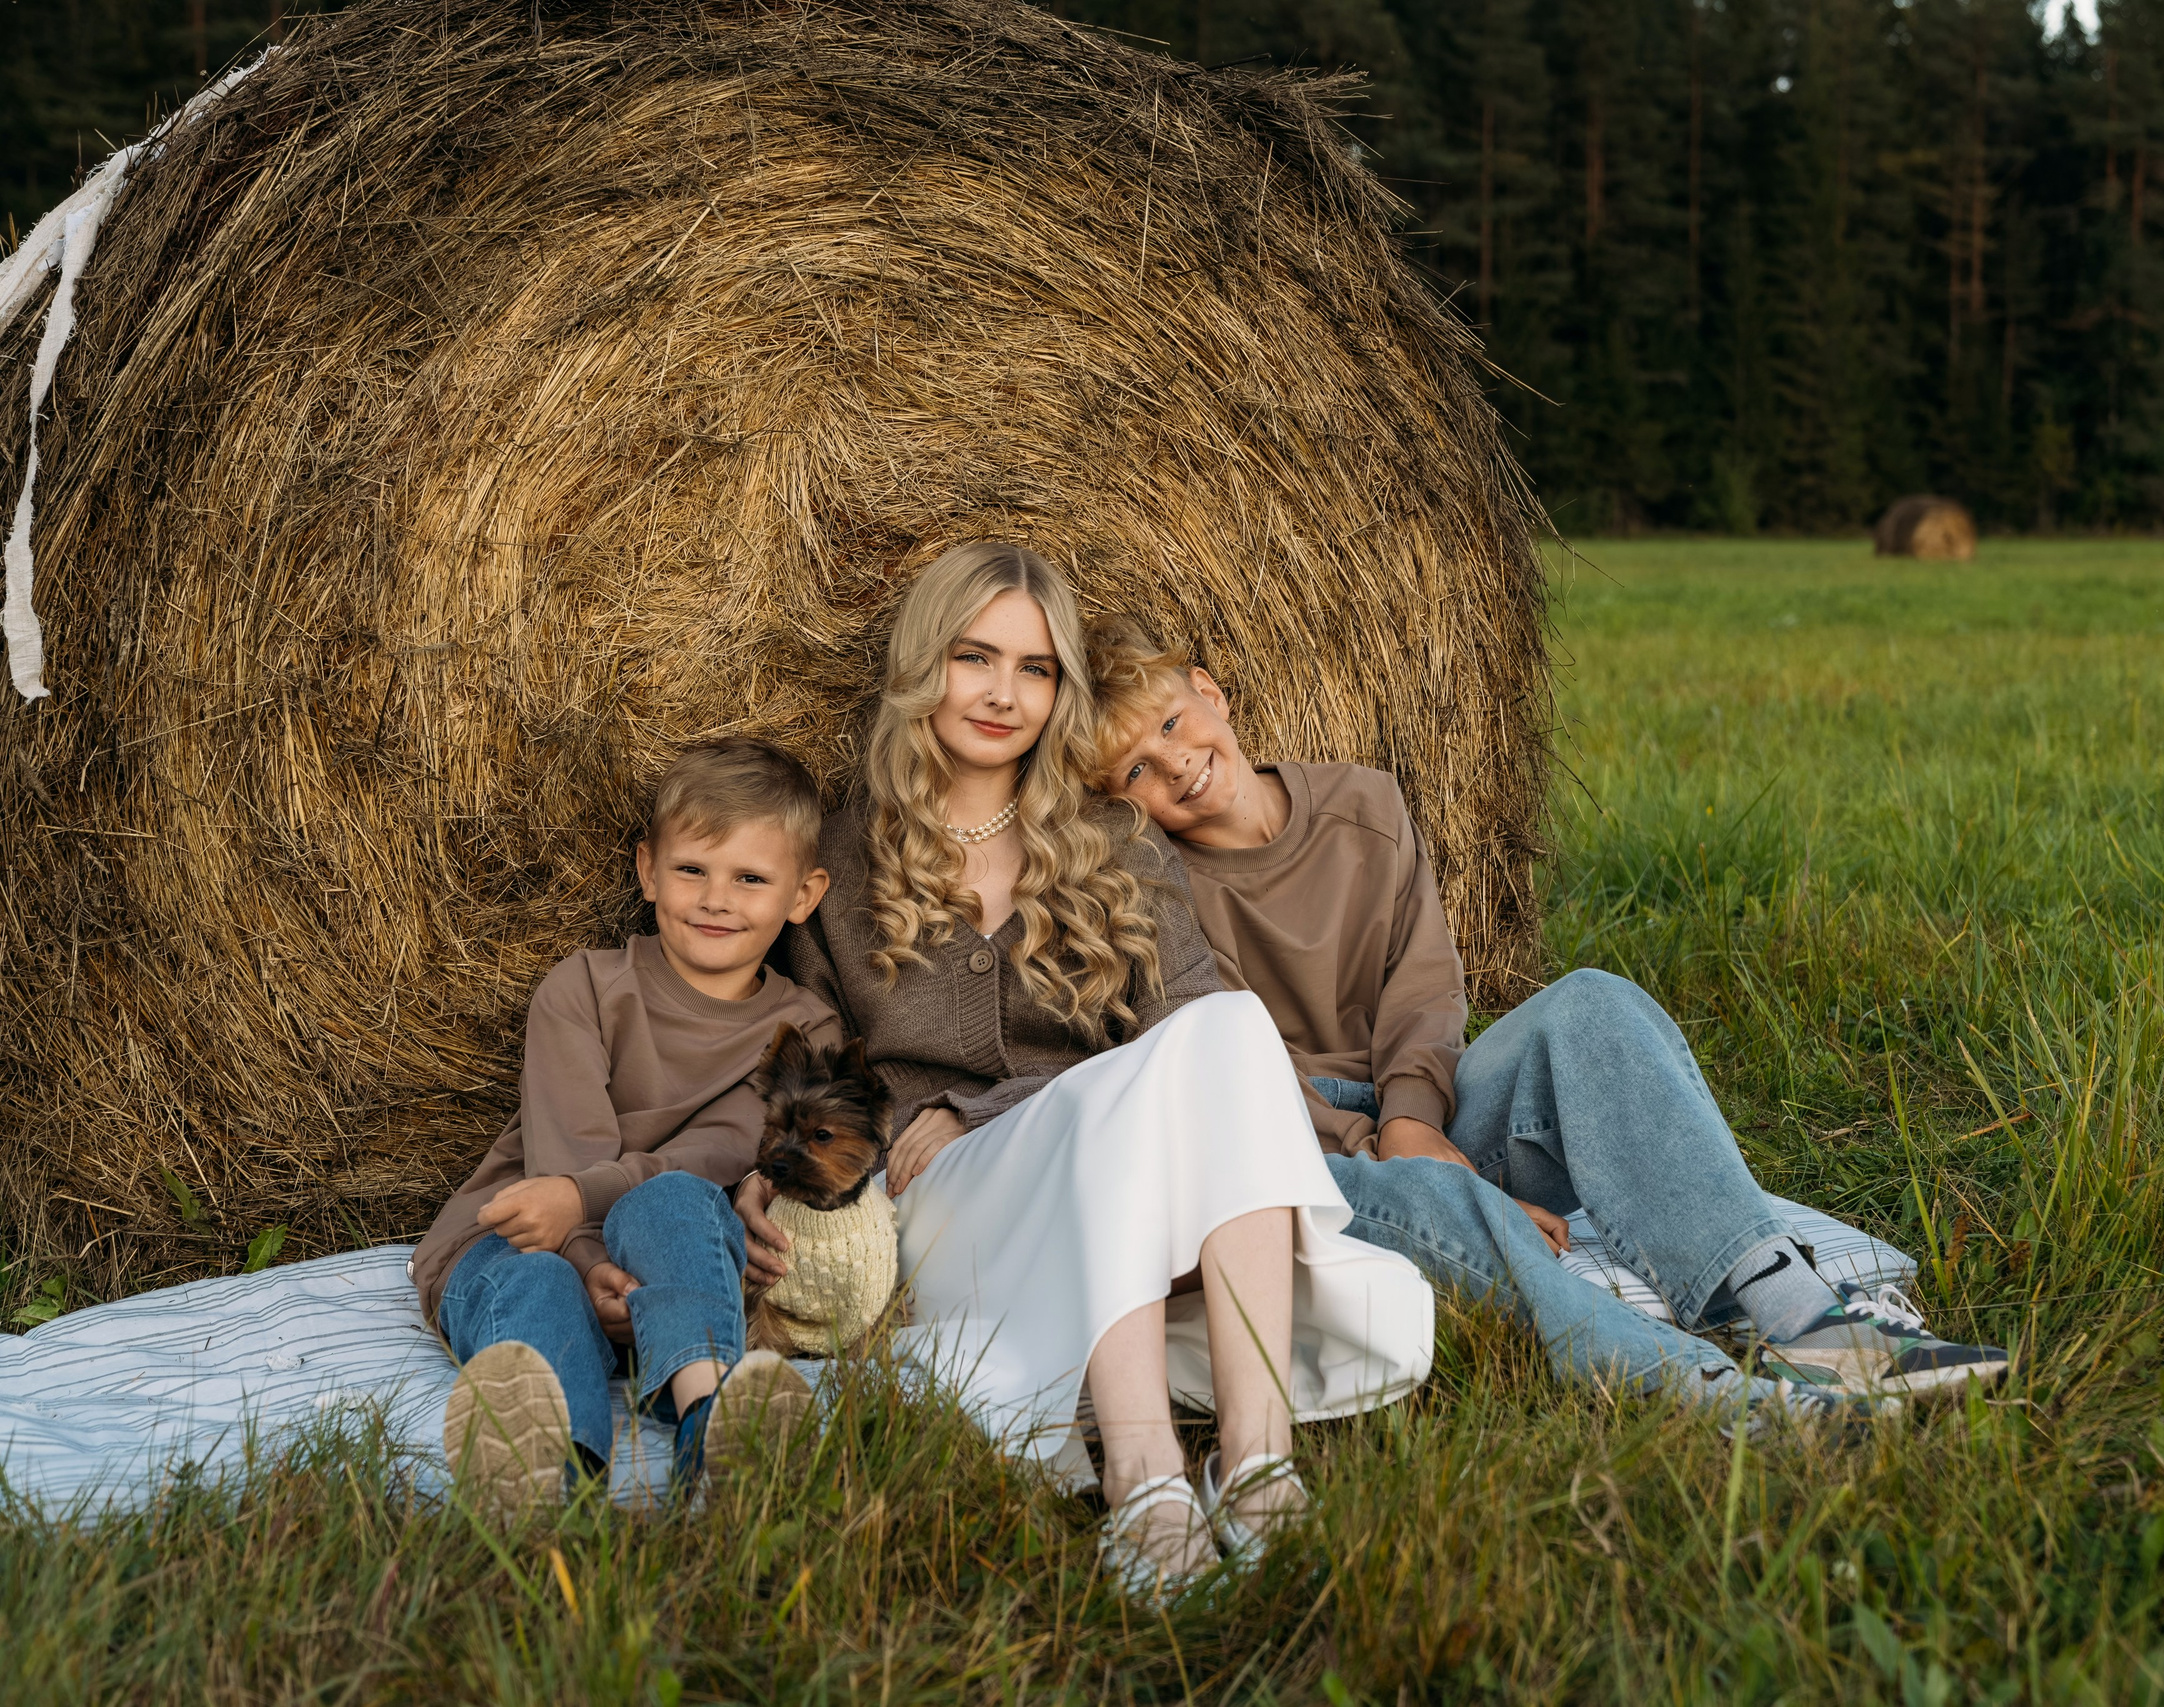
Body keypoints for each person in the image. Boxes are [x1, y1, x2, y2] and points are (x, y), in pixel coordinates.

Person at [1082, 617, 2010, 1409]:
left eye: (1173, 721)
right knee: (1414, 1191)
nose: (1177, 765)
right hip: (1309, 1162)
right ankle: (1706, 1393)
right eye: (1136, 772)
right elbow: (1231, 1076)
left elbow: (1424, 982)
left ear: (1210, 689)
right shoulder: (1156, 889)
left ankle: (1798, 1313)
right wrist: (1397, 1157)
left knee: (1593, 1003)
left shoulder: (1362, 801)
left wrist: (1410, 1116)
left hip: (1428, 1114)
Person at [745, 543, 1432, 1602]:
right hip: (952, 1199)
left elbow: (1200, 1032)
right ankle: (1147, 1480)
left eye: (1035, 668)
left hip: (1100, 1166)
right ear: (925, 661)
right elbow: (816, 1080)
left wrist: (1001, 1101)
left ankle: (1257, 1461)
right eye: (976, 657)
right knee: (1141, 1084)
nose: (1003, 693)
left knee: (1227, 1027)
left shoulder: (1108, 836)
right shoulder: (839, 859)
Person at [415, 738, 842, 1513]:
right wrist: (583, 1259)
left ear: (803, 894)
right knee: (537, 1282)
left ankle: (714, 1442)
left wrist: (598, 1228)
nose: (717, 898)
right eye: (692, 870)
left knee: (679, 1195)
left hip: (671, 1260)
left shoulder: (806, 1033)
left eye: (750, 878)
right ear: (648, 870)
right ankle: (549, 1473)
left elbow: (716, 1150)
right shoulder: (583, 988)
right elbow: (561, 1161)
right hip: (519, 1239)